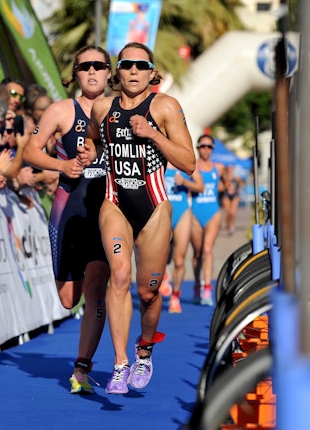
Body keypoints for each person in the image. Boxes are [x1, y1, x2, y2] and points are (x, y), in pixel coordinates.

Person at [87, 42, 196, 394]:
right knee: (119, 275)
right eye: (127, 64)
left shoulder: (165, 106)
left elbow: (188, 162)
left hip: (154, 207)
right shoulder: (102, 107)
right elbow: (93, 140)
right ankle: (120, 364)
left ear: (152, 73)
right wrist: (89, 152)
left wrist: (151, 134)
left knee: (148, 293)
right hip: (115, 202)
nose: (134, 70)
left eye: (141, 65)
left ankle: (144, 350)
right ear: (117, 71)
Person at [24, 45, 112, 394]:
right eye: (84, 66)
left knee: (97, 287)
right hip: (68, 207)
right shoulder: (61, 111)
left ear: (109, 72)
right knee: (68, 299)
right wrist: (61, 165)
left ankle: (82, 367)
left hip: (105, 209)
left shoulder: (119, 111)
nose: (92, 71)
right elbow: (30, 151)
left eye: (99, 66)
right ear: (74, 74)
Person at [163, 163, 203, 313]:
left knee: (179, 260)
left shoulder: (185, 161)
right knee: (162, 255)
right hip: (163, 211)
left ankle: (175, 295)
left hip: (182, 212)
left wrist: (185, 182)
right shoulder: (159, 159)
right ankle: (163, 274)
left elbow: (201, 186)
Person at [190, 134, 225, 306]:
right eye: (202, 146)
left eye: (209, 146)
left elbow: (225, 185)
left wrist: (228, 185)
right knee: (197, 253)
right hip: (196, 212)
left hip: (213, 212)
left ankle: (207, 289)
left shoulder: (219, 167)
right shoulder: (191, 166)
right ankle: (197, 285)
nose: (205, 149)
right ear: (197, 148)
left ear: (212, 149)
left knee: (207, 250)